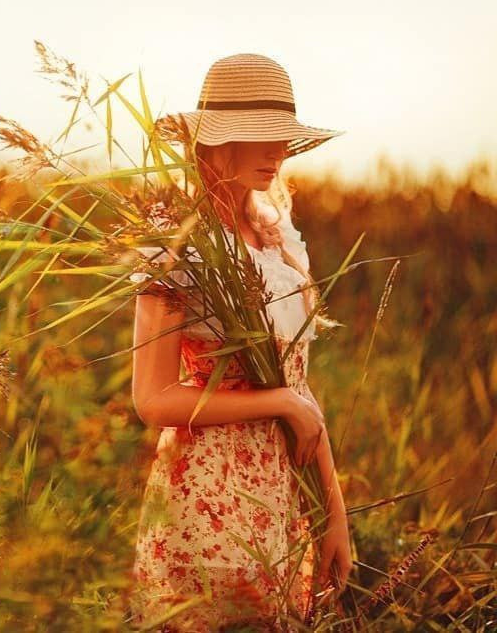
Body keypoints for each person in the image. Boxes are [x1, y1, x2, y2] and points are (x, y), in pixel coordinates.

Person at [127, 53, 354, 631]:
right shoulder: (176, 244)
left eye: (283, 133)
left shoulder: (279, 234)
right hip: (206, 493)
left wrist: (332, 511)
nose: (277, 150)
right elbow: (152, 400)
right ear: (218, 144)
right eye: (260, 134)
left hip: (282, 492)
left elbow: (300, 388)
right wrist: (274, 404)